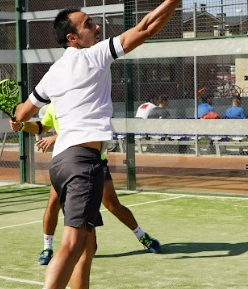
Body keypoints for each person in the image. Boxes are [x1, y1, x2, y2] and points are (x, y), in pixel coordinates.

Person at [8, 0, 193, 289]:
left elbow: (24, 112)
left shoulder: (54, 72)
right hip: (81, 161)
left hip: (62, 162)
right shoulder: (92, 55)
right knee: (74, 242)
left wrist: (18, 117)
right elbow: (145, 28)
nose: (96, 27)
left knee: (87, 247)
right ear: (73, 38)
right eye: (88, 24)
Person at [35, 103, 161, 267]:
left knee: (113, 205)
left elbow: (83, 130)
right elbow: (41, 127)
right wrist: (21, 124)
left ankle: (142, 236)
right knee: (53, 203)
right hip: (66, 164)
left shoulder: (81, 101)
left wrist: (55, 137)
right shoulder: (52, 108)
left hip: (94, 162)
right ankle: (47, 247)